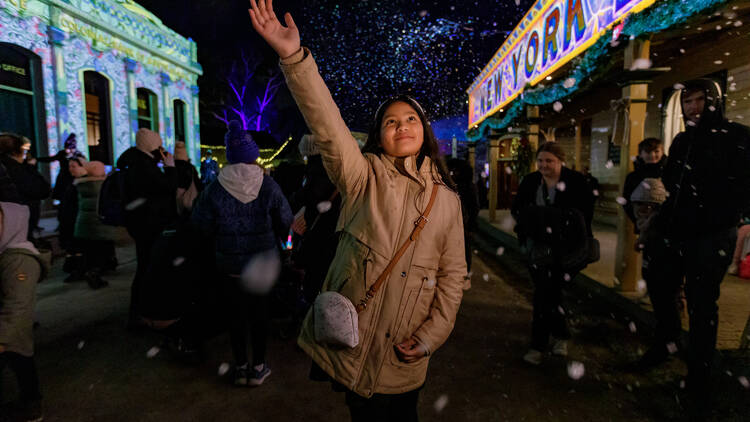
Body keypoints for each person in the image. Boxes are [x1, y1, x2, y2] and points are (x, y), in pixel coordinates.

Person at [249, 2, 467, 419]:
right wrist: (293, 58)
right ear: (379, 137)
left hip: (405, 349)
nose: (401, 125)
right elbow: (328, 127)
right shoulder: (363, 176)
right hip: (356, 338)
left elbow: (452, 277)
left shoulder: (448, 201)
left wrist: (428, 338)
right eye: (390, 121)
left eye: (410, 119)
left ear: (424, 132)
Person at [642, 78, 750, 419]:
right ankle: (666, 342)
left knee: (703, 305)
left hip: (714, 233)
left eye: (700, 100)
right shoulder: (682, 139)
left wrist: (737, 216)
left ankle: (699, 379)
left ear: (715, 100)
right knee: (659, 285)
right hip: (677, 230)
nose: (693, 107)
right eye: (687, 101)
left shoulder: (738, 136)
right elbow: (672, 183)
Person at [192, 120, 293, 387]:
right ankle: (258, 367)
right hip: (262, 263)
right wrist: (286, 242)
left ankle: (239, 367)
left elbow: (200, 224)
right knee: (260, 315)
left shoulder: (214, 188)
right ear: (252, 156)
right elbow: (286, 220)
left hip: (230, 266)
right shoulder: (268, 185)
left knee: (235, 316)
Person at [510, 142, 594, 366]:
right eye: (541, 161)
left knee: (547, 294)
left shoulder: (576, 182)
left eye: (549, 161)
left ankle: (540, 344)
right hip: (537, 248)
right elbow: (517, 208)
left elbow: (584, 215)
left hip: (567, 251)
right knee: (547, 293)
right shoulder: (531, 181)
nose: (544, 165)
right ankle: (557, 337)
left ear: (561, 161)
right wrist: (534, 222)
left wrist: (548, 218)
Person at [116, 128, 178, 328]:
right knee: (147, 268)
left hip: (142, 223)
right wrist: (170, 167)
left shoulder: (135, 163)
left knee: (146, 267)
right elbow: (168, 187)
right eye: (158, 146)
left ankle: (141, 312)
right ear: (152, 147)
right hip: (149, 224)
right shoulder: (143, 166)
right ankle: (141, 314)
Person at [0, 201, 48, 422]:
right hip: (10, 331)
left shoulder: (19, 260)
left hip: (10, 331)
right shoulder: (7, 253)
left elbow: (18, 306)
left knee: (21, 361)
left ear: (12, 225)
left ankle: (31, 406)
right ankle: (30, 403)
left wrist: (3, 338)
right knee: (21, 364)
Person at [291, 134, 342, 309]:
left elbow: (308, 196)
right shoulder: (334, 168)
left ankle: (312, 311)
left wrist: (297, 201)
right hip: (332, 229)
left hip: (319, 230)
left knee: (315, 274)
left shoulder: (316, 169)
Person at [65, 159, 121, 289]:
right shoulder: (103, 185)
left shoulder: (79, 185)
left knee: (89, 252)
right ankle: (95, 274)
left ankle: (88, 270)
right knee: (101, 253)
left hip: (84, 224)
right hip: (101, 224)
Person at [0, 133, 50, 241]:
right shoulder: (17, 170)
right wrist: (30, 168)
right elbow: (43, 190)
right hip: (17, 228)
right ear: (16, 151)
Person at [621, 138, 666, 227]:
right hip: (641, 222)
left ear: (662, 152)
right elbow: (626, 200)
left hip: (665, 224)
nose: (653, 155)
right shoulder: (633, 177)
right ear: (641, 154)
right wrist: (638, 219)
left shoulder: (669, 174)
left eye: (656, 151)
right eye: (648, 152)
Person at [446, 157, 479, 275]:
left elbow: (473, 207)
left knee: (464, 250)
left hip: (463, 226)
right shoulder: (448, 186)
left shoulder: (467, 187)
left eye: (455, 171)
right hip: (450, 226)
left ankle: (464, 272)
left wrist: (470, 226)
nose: (453, 174)